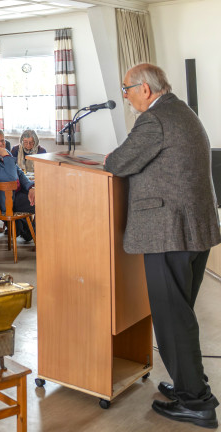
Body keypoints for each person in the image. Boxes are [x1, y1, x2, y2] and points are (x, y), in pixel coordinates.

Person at [105, 63, 220, 428]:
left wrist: (110, 159)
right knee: (180, 315)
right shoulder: (181, 111)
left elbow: (119, 162)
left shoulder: (154, 120)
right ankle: (192, 386)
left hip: (168, 232)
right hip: (193, 230)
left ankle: (196, 403)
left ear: (144, 89)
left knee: (172, 320)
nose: (125, 96)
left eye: (126, 89)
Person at [0, 127, 35, 241]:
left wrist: (30, 187)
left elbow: (19, 172)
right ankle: (35, 235)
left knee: (39, 195)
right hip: (3, 201)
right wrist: (6, 155)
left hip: (13, 195)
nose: (0, 144)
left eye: (2, 140)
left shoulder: (4, 153)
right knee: (42, 202)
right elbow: (12, 178)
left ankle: (29, 232)